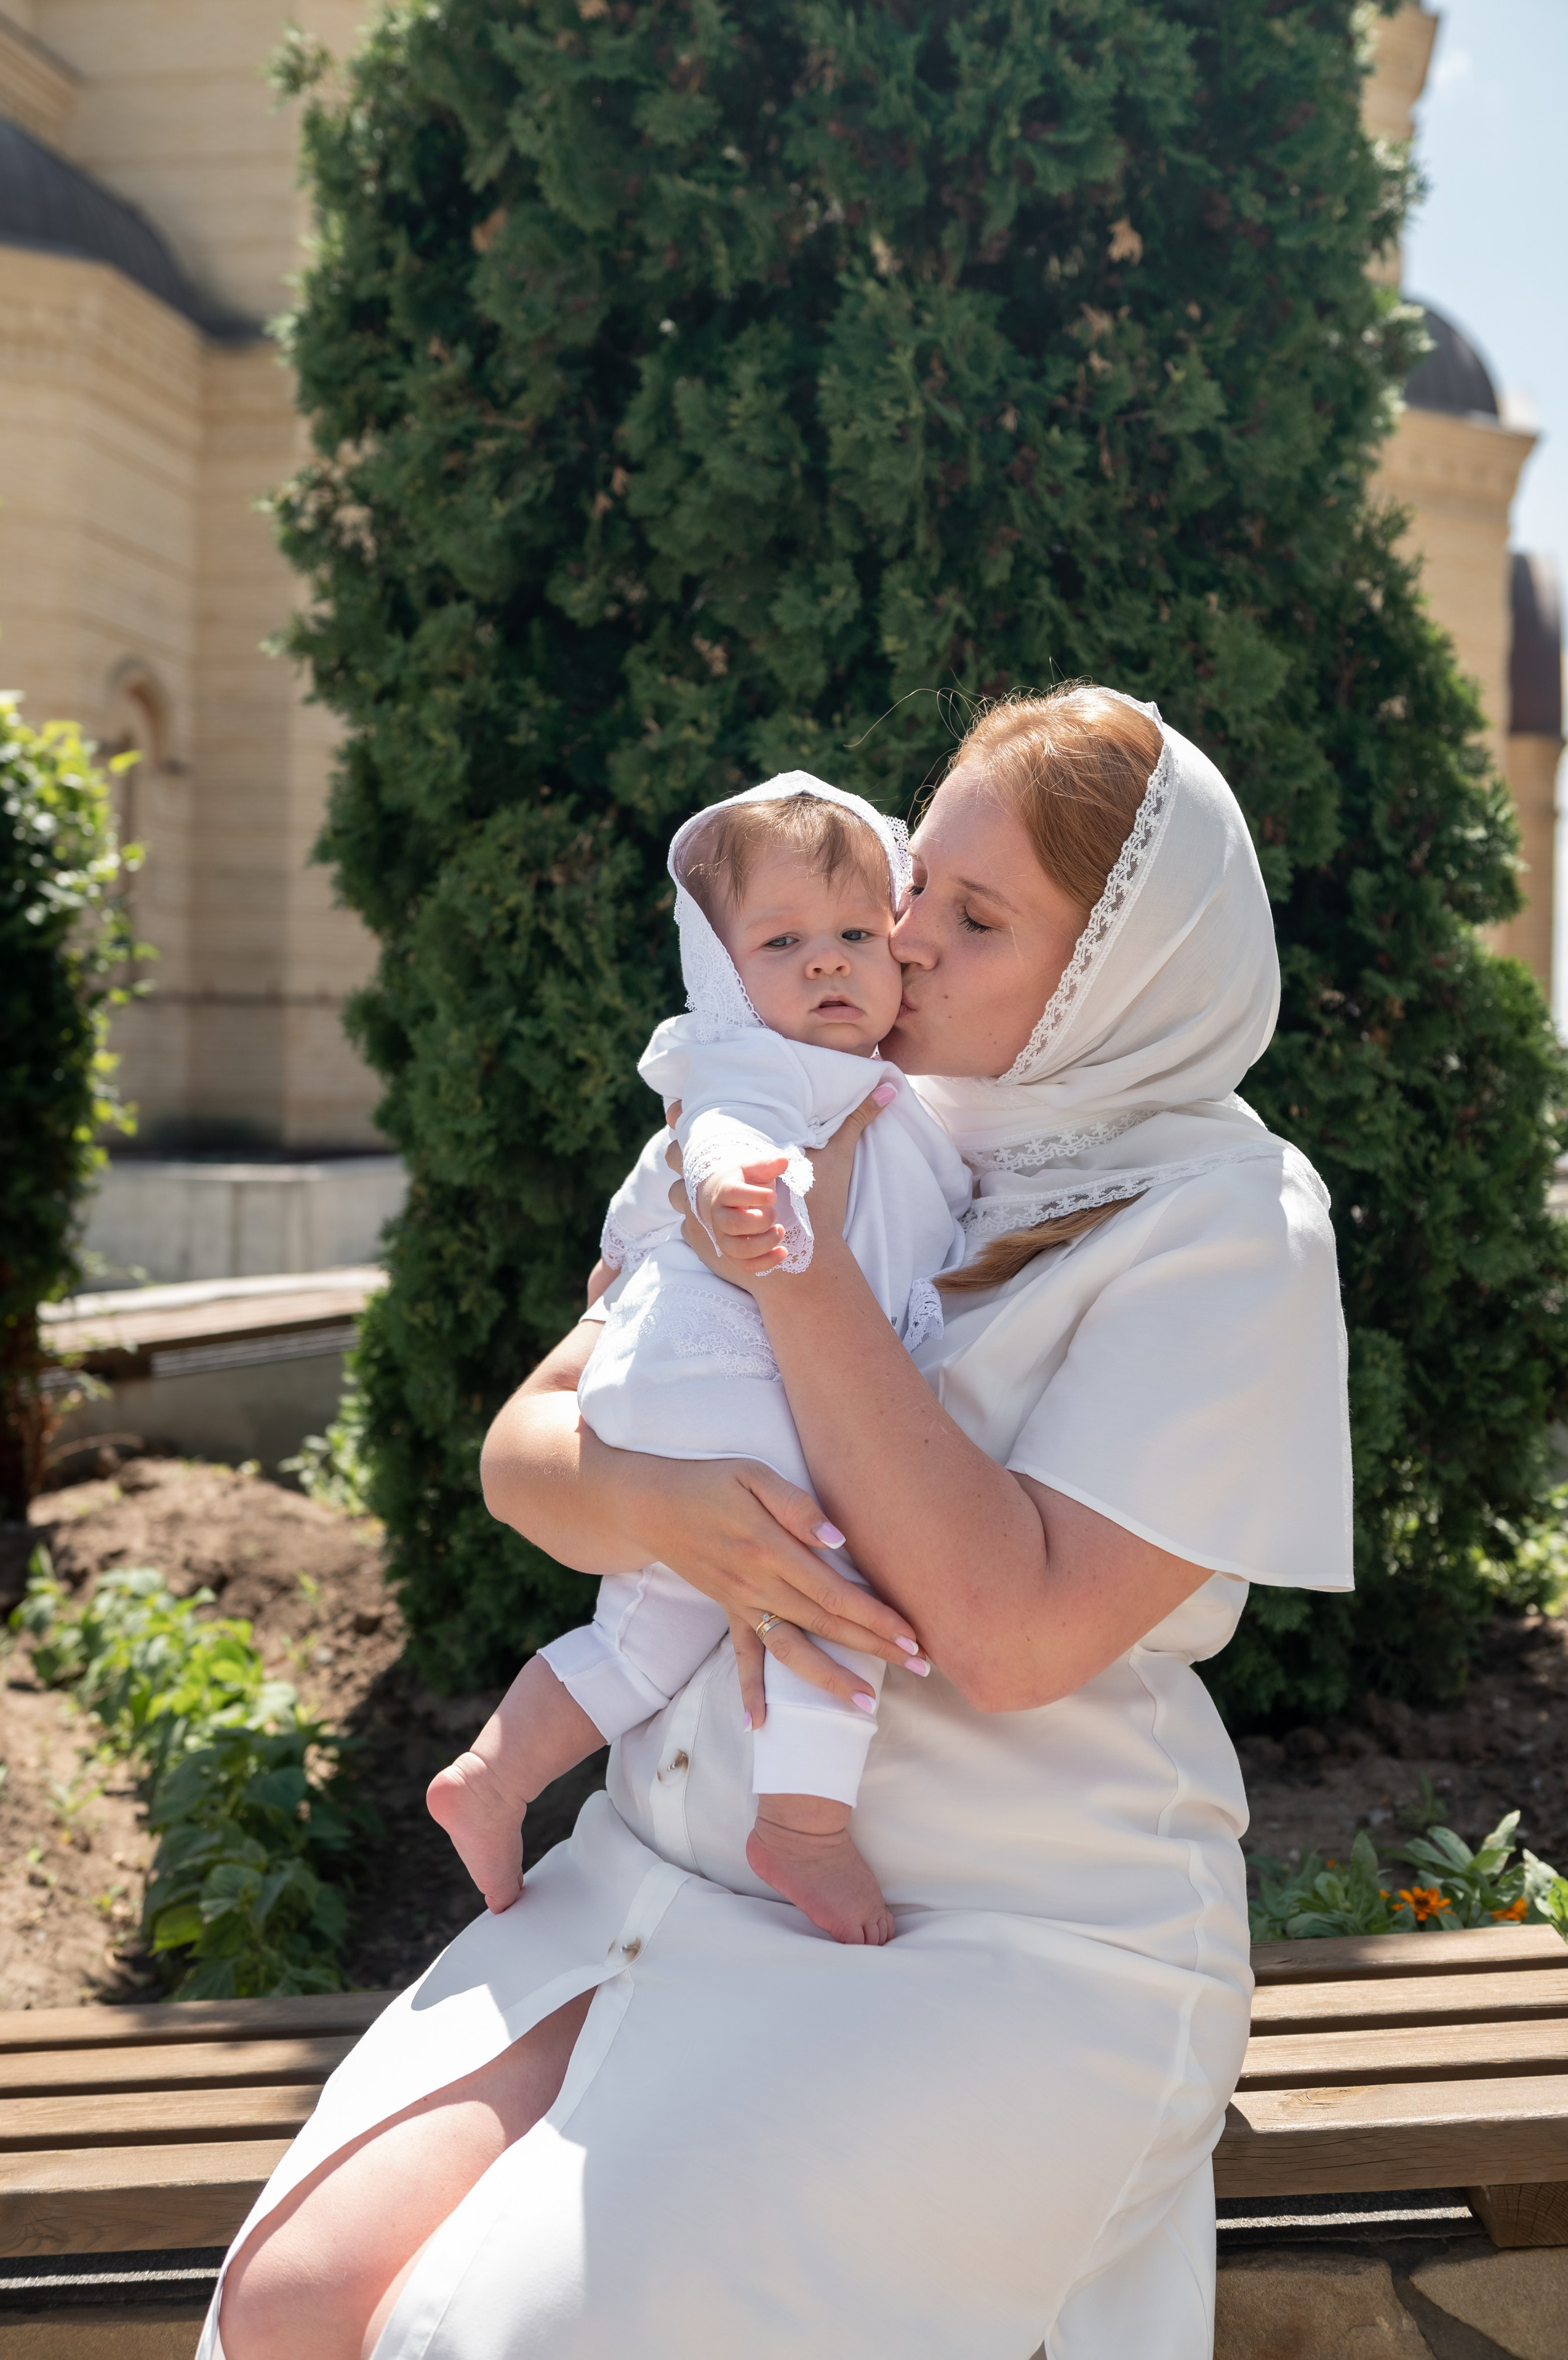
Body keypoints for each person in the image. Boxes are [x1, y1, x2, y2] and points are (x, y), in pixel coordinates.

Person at [209, 683, 1353, 2360]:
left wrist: (794, 1263)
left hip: (998, 1938)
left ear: (1123, 976)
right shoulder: (817, 1110)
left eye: (975, 917)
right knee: (289, 2304)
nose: (901, 942)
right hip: (663, 1871)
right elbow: (527, 1451)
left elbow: (1013, 1635)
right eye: (913, 890)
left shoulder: (1227, 1226)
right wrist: (674, 1508)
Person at [426, 774, 968, 1946]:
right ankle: (806, 1826)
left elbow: (643, 1204)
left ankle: (494, 1773)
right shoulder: (761, 1066)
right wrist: (735, 1200)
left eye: (857, 936)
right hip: (729, 1361)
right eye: (782, 943)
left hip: (694, 1388)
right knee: (838, 1550)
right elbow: (718, 1140)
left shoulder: (882, 1081)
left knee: (650, 1631)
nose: (828, 964)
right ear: (722, 975)